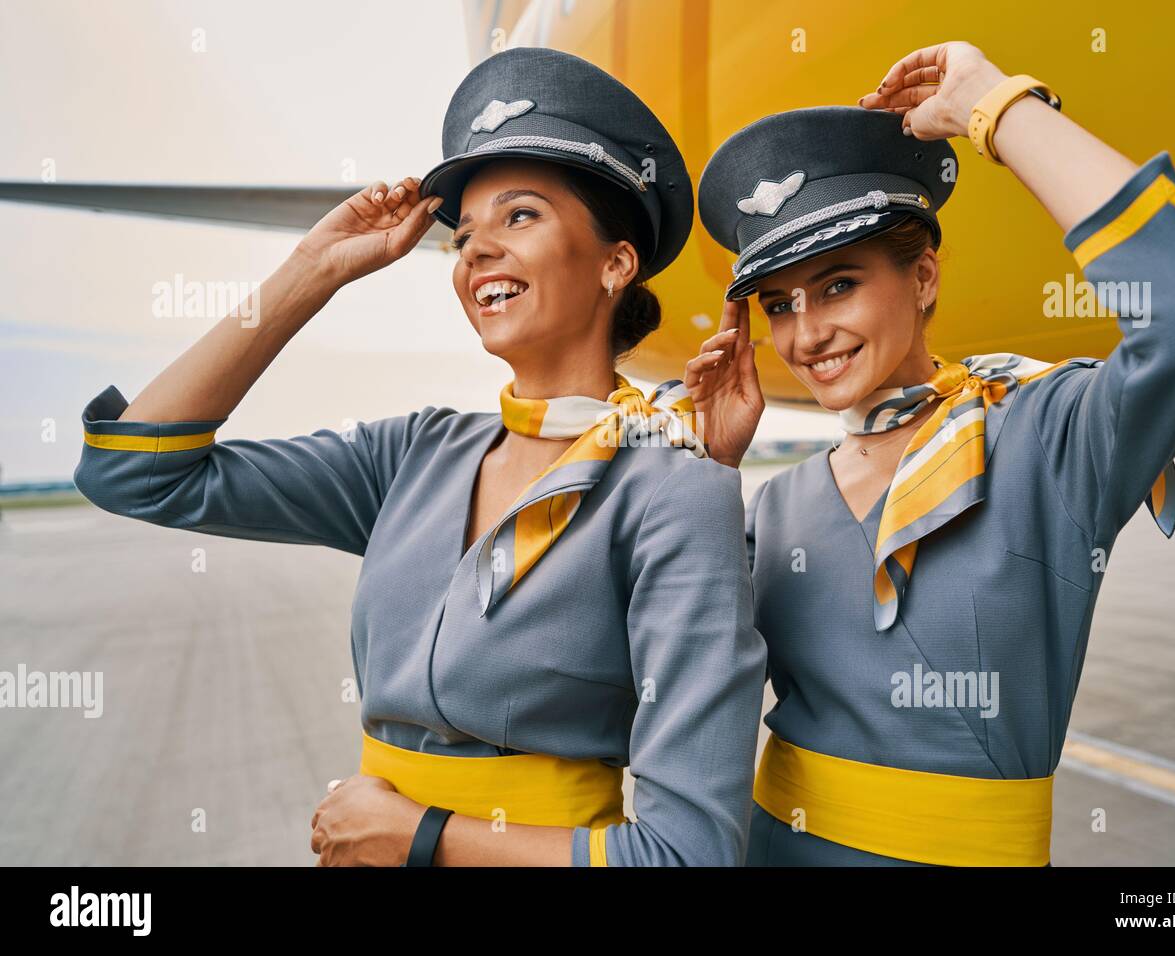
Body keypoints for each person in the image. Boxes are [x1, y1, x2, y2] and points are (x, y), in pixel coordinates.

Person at [74, 46, 767, 867]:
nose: (475, 252)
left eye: (520, 217)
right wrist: (315, 269)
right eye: (464, 234)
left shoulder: (673, 490)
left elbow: (686, 854)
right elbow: (134, 472)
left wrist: (419, 837)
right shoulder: (413, 454)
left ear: (616, 263)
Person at [686, 40, 1175, 865]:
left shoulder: (1047, 437)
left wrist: (995, 107)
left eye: (839, 284)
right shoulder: (775, 503)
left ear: (923, 276)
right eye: (780, 303)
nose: (806, 332)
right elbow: (671, 695)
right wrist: (704, 476)